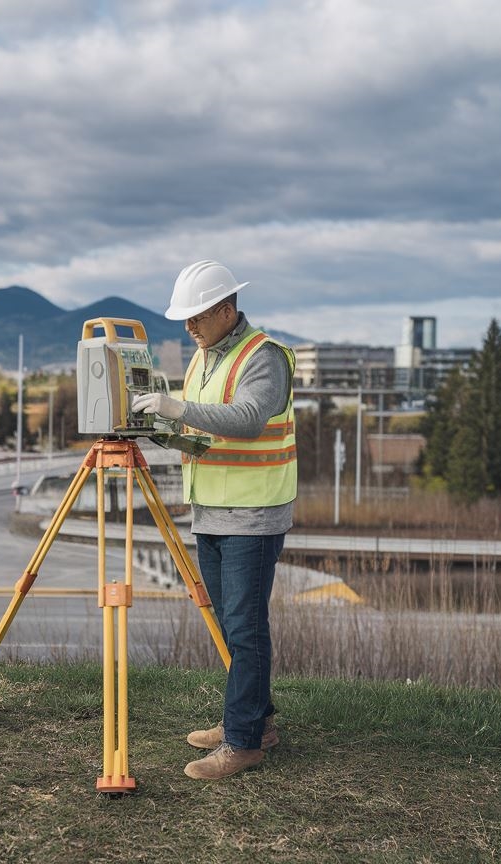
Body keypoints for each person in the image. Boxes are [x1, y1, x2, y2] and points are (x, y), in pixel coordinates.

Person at [131, 260, 297, 780]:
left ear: (227, 310)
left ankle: (243, 742)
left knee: (245, 628)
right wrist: (163, 427)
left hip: (254, 513)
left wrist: (176, 408)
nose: (189, 328)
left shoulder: (265, 357)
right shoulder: (204, 357)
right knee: (232, 625)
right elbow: (206, 433)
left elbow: (248, 420)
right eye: (184, 320)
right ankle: (254, 721)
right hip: (212, 511)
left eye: (197, 317)